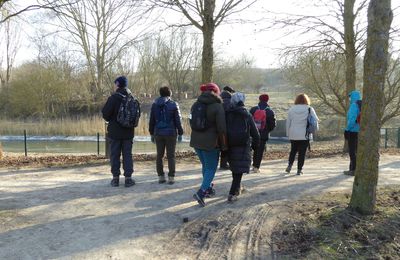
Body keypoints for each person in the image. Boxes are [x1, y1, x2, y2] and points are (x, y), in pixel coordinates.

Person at [190, 83, 227, 207]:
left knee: (206, 166)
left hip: (196, 141)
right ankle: (201, 192)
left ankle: (209, 188)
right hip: (210, 142)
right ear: (216, 92)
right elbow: (222, 128)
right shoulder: (217, 106)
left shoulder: (196, 104)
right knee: (211, 168)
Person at [102, 76, 138, 187]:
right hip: (128, 132)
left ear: (118, 84)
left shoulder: (113, 98)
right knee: (128, 155)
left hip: (114, 132)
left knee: (114, 155)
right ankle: (128, 179)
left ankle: (115, 179)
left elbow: (105, 115)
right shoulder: (132, 98)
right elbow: (137, 115)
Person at [226, 92, 260, 202]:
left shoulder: (228, 113)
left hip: (230, 146)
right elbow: (256, 134)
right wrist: (255, 146)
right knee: (238, 171)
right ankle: (232, 193)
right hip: (243, 145)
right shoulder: (247, 115)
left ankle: (237, 188)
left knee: (235, 169)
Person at [149, 86, 184, 184]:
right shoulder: (173, 104)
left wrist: (151, 133)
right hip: (171, 133)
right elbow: (178, 120)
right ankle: (171, 177)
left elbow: (151, 120)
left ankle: (161, 177)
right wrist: (180, 132)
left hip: (158, 133)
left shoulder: (154, 105)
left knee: (159, 155)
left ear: (160, 93)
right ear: (169, 93)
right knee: (171, 156)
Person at [285, 93, 319, 175]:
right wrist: (315, 130)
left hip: (293, 133)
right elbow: (315, 121)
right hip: (305, 134)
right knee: (302, 153)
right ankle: (299, 170)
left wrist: (288, 133)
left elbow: (288, 122)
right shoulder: (309, 109)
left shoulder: (292, 109)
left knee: (293, 150)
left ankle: (289, 165)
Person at [249, 94, 276, 173]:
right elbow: (272, 125)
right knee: (260, 151)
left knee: (254, 149)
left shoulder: (253, 109)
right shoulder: (269, 111)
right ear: (267, 100)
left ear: (259, 99)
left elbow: (248, 121)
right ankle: (256, 167)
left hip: (253, 134)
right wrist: (267, 130)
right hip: (263, 134)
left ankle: (251, 164)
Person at [344, 90, 361, 176]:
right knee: (358, 151)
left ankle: (353, 170)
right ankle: (355, 169)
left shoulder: (354, 106)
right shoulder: (361, 105)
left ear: (353, 96)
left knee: (352, 151)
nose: (349, 98)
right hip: (360, 131)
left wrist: (347, 129)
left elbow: (352, 120)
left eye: (350, 96)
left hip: (352, 131)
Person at [219, 86, 235, 170]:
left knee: (222, 145)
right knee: (228, 146)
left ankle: (222, 164)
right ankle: (225, 164)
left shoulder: (218, 101)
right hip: (230, 127)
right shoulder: (231, 102)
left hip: (219, 127)